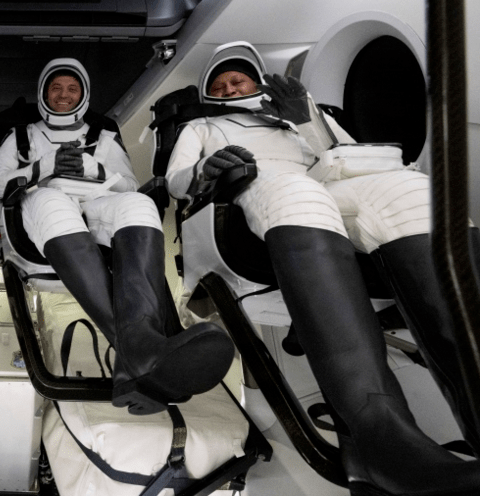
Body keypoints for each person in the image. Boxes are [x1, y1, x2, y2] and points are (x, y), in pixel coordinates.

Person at [166, 41, 480, 495]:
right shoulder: (201, 125)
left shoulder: (301, 111)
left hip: (335, 181)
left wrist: (304, 118)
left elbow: (351, 157)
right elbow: (179, 180)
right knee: (300, 194)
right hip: (260, 184)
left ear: (256, 80)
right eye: (220, 83)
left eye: (239, 79)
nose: (231, 87)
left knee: (415, 194)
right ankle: (381, 440)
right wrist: (205, 167)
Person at [0, 58, 235, 415]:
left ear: (83, 94)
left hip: (98, 197)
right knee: (51, 201)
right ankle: (143, 347)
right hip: (44, 198)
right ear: (43, 93)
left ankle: (135, 355)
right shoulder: (21, 136)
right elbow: (1, 182)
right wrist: (46, 167)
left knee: (137, 204)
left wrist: (94, 167)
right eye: (55, 88)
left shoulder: (102, 136)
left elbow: (127, 184)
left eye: (71, 88)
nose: (63, 95)